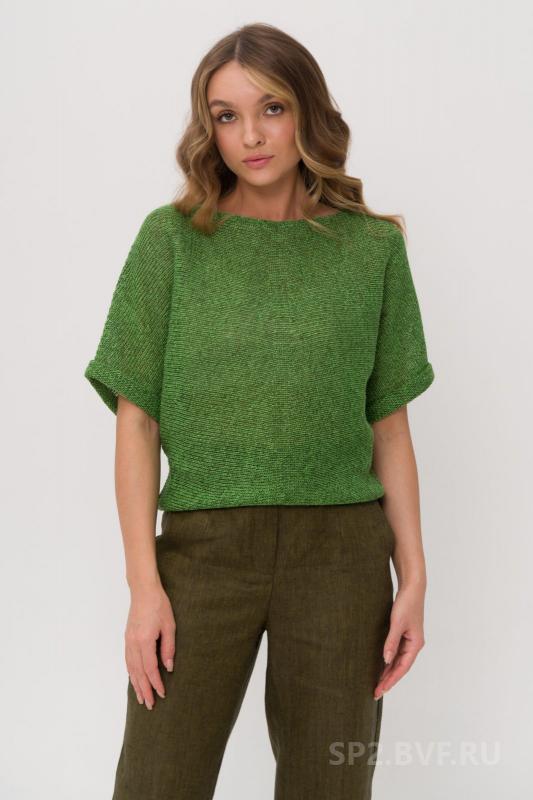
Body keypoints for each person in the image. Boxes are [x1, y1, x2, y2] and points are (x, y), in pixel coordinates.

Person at [84, 22, 435, 800]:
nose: (250, 135)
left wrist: (412, 575)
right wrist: (144, 587)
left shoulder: (371, 249)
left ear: (306, 111)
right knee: (155, 782)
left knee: (329, 786)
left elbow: (389, 426)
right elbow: (136, 422)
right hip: (201, 555)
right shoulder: (171, 242)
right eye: (226, 115)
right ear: (206, 127)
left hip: (342, 557)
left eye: (271, 108)